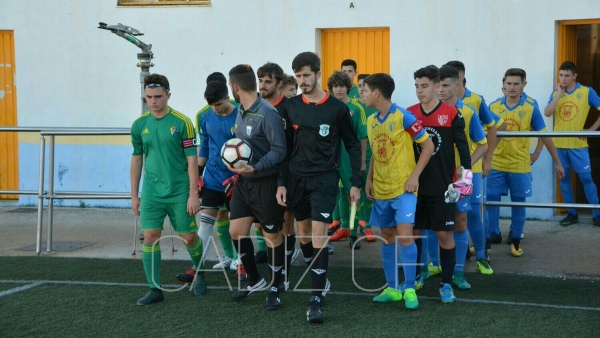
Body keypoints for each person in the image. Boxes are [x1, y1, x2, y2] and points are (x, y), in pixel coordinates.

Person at [277, 52, 362, 323]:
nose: (302, 81)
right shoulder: (289, 107)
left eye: (306, 75)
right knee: (303, 235)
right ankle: (320, 279)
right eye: (298, 76)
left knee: (319, 234)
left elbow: (352, 144)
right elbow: (285, 148)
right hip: (296, 179)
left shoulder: (336, 108)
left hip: (325, 179)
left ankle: (316, 298)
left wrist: (355, 182)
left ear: (317, 73)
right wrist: (281, 182)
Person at [130, 73, 205, 305]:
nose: (153, 101)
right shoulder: (139, 124)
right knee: (150, 236)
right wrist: (134, 195)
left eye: (158, 96)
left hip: (180, 189)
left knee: (188, 237)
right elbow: (137, 159)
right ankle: (155, 289)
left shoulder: (182, 122)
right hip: (152, 191)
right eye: (149, 97)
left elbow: (192, 160)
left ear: (168, 95)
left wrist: (193, 193)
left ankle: (199, 271)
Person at [362, 73, 434, 309]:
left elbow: (428, 145)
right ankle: (393, 288)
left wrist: (415, 176)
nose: (361, 94)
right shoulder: (371, 120)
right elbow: (375, 151)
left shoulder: (404, 116)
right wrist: (369, 179)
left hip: (404, 188)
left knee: (405, 235)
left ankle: (410, 289)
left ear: (376, 93)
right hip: (381, 189)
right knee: (387, 238)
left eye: (364, 90)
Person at [406, 65, 472, 303]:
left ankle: (446, 284)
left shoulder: (452, 113)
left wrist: (466, 177)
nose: (419, 91)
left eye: (424, 86)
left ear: (436, 87)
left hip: (443, 186)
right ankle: (414, 277)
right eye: (416, 86)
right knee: (413, 233)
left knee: (444, 234)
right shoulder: (409, 113)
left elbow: (462, 147)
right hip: (413, 187)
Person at [227, 64, 287, 311]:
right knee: (236, 231)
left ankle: (275, 287)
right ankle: (255, 279)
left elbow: (281, 150)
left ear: (235, 87)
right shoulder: (240, 110)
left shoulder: (268, 113)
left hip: (266, 183)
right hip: (244, 184)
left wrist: (257, 166)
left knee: (272, 237)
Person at [488, 68, 565, 257]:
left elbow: (543, 135)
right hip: (496, 163)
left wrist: (552, 159)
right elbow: (483, 135)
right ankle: (492, 234)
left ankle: (515, 238)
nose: (512, 87)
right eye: (508, 83)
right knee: (490, 200)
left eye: (516, 83)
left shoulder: (531, 107)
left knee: (519, 202)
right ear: (503, 85)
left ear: (524, 85)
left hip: (519, 163)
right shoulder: (493, 106)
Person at [176, 72, 243, 285]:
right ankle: (197, 267)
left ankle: (241, 264)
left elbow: (249, 147)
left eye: (219, 104)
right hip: (213, 178)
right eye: (212, 105)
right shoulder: (205, 117)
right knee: (205, 224)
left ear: (228, 96)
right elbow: (204, 145)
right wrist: (199, 174)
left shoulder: (241, 114)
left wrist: (242, 174)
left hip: (237, 179)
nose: (216, 108)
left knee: (238, 225)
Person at [438, 65, 491, 289]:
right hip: (436, 177)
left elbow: (483, 144)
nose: (440, 89)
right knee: (434, 223)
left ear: (457, 85)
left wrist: (465, 167)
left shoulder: (468, 112)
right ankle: (431, 268)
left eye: (445, 85)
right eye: (437, 85)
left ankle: (459, 272)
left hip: (459, 180)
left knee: (461, 221)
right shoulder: (425, 111)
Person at [256, 62, 301, 290]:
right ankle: (272, 269)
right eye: (260, 81)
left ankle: (284, 270)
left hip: (288, 174)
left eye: (268, 81)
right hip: (262, 176)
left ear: (279, 84)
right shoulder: (255, 106)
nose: (263, 86)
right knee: (264, 225)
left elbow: (293, 145)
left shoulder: (290, 107)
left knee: (286, 224)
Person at [544, 61, 600, 227]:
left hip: (578, 145)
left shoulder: (586, 91)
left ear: (575, 76)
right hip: (559, 146)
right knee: (564, 179)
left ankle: (597, 214)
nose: (563, 78)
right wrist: (559, 94)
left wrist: (591, 129)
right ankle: (571, 213)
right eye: (561, 75)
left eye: (567, 75)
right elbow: (547, 112)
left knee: (586, 178)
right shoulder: (556, 93)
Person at [327, 70, 368, 249]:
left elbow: (363, 137)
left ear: (347, 88)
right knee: (329, 196)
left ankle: (352, 233)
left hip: (349, 160)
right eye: (335, 86)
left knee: (352, 197)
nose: (339, 90)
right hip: (329, 160)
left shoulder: (357, 108)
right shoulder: (326, 106)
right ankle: (337, 227)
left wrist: (362, 161)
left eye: (342, 86)